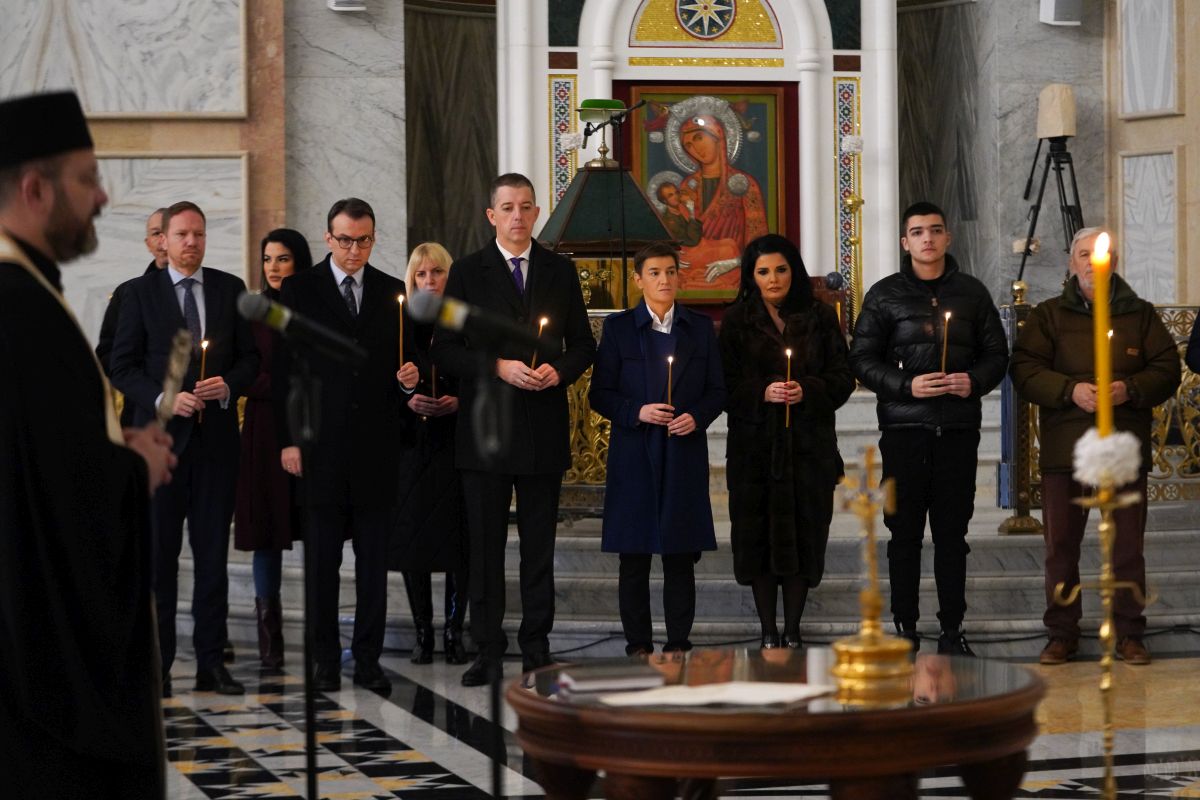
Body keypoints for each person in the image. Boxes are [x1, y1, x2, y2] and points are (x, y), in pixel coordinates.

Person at [0, 89, 174, 798]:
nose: (103, 196)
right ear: (36, 190)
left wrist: (109, 447)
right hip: (40, 686)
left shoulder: (24, 296)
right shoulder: (21, 308)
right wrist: (136, 466)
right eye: (88, 178)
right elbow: (60, 502)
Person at [431, 173, 595, 686]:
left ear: (537, 211)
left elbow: (583, 345)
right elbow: (444, 349)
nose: (518, 216)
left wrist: (559, 372)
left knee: (538, 550)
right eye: (508, 207)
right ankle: (487, 649)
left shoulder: (560, 271)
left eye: (526, 206)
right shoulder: (466, 272)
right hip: (486, 432)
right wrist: (497, 367)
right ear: (492, 215)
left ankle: (536, 647)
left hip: (542, 428)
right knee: (485, 550)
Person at [1010, 227, 1180, 666]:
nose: (1091, 262)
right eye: (1083, 254)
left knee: (1127, 548)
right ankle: (1061, 634)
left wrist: (1129, 389)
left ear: (1114, 263)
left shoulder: (1139, 314)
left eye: (1100, 254)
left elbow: (1166, 369)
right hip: (1066, 448)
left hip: (1122, 446)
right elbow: (1025, 369)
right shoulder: (1048, 316)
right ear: (1072, 264)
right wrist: (1070, 391)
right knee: (1061, 547)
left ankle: (1130, 634)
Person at [111, 200, 260, 696]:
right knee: (159, 560)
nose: (191, 242)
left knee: (213, 559)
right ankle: (157, 665)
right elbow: (121, 365)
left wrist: (229, 385)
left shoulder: (229, 289)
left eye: (198, 234)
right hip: (159, 448)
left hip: (215, 447)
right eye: (182, 235)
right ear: (164, 240)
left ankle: (210, 664)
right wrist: (162, 398)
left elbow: (250, 360)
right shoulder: (137, 293)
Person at [849, 201, 1008, 656]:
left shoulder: (972, 293)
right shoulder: (884, 295)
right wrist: (907, 385)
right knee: (903, 535)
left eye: (935, 230)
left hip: (957, 431)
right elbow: (861, 359)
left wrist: (973, 380)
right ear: (905, 242)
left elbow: (997, 355)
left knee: (952, 536)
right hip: (904, 433)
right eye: (917, 232)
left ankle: (952, 630)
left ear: (947, 237)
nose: (927, 239)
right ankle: (905, 628)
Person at [276, 198, 419, 694]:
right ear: (328, 238)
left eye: (363, 240)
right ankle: (324, 659)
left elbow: (406, 363)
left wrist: (408, 380)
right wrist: (289, 441)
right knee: (323, 565)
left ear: (373, 239)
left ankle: (368, 659)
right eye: (344, 240)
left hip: (377, 449)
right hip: (320, 448)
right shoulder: (299, 290)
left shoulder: (392, 291)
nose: (354, 250)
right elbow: (286, 371)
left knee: (373, 566)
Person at [589, 242, 726, 654]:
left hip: (683, 452)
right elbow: (600, 394)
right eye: (654, 273)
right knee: (634, 555)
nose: (664, 280)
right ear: (638, 280)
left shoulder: (699, 328)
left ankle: (678, 641)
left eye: (670, 272)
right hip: (634, 453)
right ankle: (638, 644)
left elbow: (717, 390)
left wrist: (696, 416)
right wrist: (638, 411)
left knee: (680, 554)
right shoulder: (618, 329)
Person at [719, 234, 853, 648]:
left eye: (781, 269)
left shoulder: (820, 316)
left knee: (805, 537)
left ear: (793, 271)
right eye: (763, 272)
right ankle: (767, 632)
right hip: (755, 450)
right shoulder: (736, 320)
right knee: (757, 541)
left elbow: (843, 377)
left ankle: (793, 630)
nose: (773, 279)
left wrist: (807, 389)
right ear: (751, 276)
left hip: (809, 447)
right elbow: (724, 385)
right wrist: (762, 392)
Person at [233, 228, 313, 670]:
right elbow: (244, 373)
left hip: (311, 427)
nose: (274, 267)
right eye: (267, 259)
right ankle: (270, 643)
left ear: (299, 261)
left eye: (282, 258)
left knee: (317, 529)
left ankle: (322, 637)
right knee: (267, 535)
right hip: (264, 432)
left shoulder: (315, 308)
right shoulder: (253, 313)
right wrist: (282, 384)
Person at [389, 242, 469, 665]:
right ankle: (423, 630)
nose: (429, 281)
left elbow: (480, 372)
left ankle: (454, 630)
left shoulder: (462, 320)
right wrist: (406, 393)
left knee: (460, 540)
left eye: (437, 272)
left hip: (455, 442)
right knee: (413, 538)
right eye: (421, 274)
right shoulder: (400, 322)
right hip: (413, 445)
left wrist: (460, 401)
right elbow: (382, 382)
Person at [675, 112, 767, 291]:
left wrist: (735, 262)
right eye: (688, 145)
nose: (695, 148)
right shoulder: (687, 186)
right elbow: (681, 235)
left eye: (699, 137)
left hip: (732, 269)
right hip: (692, 267)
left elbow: (759, 242)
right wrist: (674, 256)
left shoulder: (744, 184)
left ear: (717, 135)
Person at [96, 207, 168, 380]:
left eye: (169, 233)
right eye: (156, 233)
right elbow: (107, 353)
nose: (163, 241)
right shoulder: (126, 293)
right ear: (148, 243)